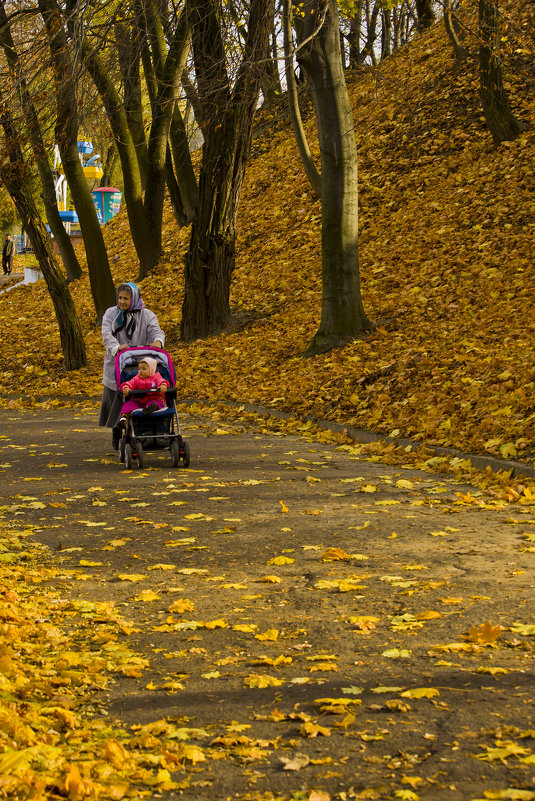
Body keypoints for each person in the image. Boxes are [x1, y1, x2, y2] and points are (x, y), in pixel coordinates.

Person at [99, 282, 165, 449]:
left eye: (126, 298)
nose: (122, 302)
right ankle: (116, 429)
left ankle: (144, 431)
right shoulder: (111, 314)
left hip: (140, 363)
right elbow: (107, 333)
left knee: (141, 395)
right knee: (117, 397)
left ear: (134, 299)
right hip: (117, 362)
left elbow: (155, 331)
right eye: (120, 298)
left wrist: (157, 341)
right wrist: (116, 346)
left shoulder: (147, 315)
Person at [119, 357, 169, 425]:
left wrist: (163, 386)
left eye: (144, 369)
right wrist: (126, 388)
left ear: (151, 370)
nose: (140, 371)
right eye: (139, 369)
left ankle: (151, 408)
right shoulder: (136, 378)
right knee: (128, 405)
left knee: (156, 403)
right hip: (138, 401)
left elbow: (161, 381)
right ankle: (124, 419)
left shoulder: (156, 377)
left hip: (154, 398)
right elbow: (130, 383)